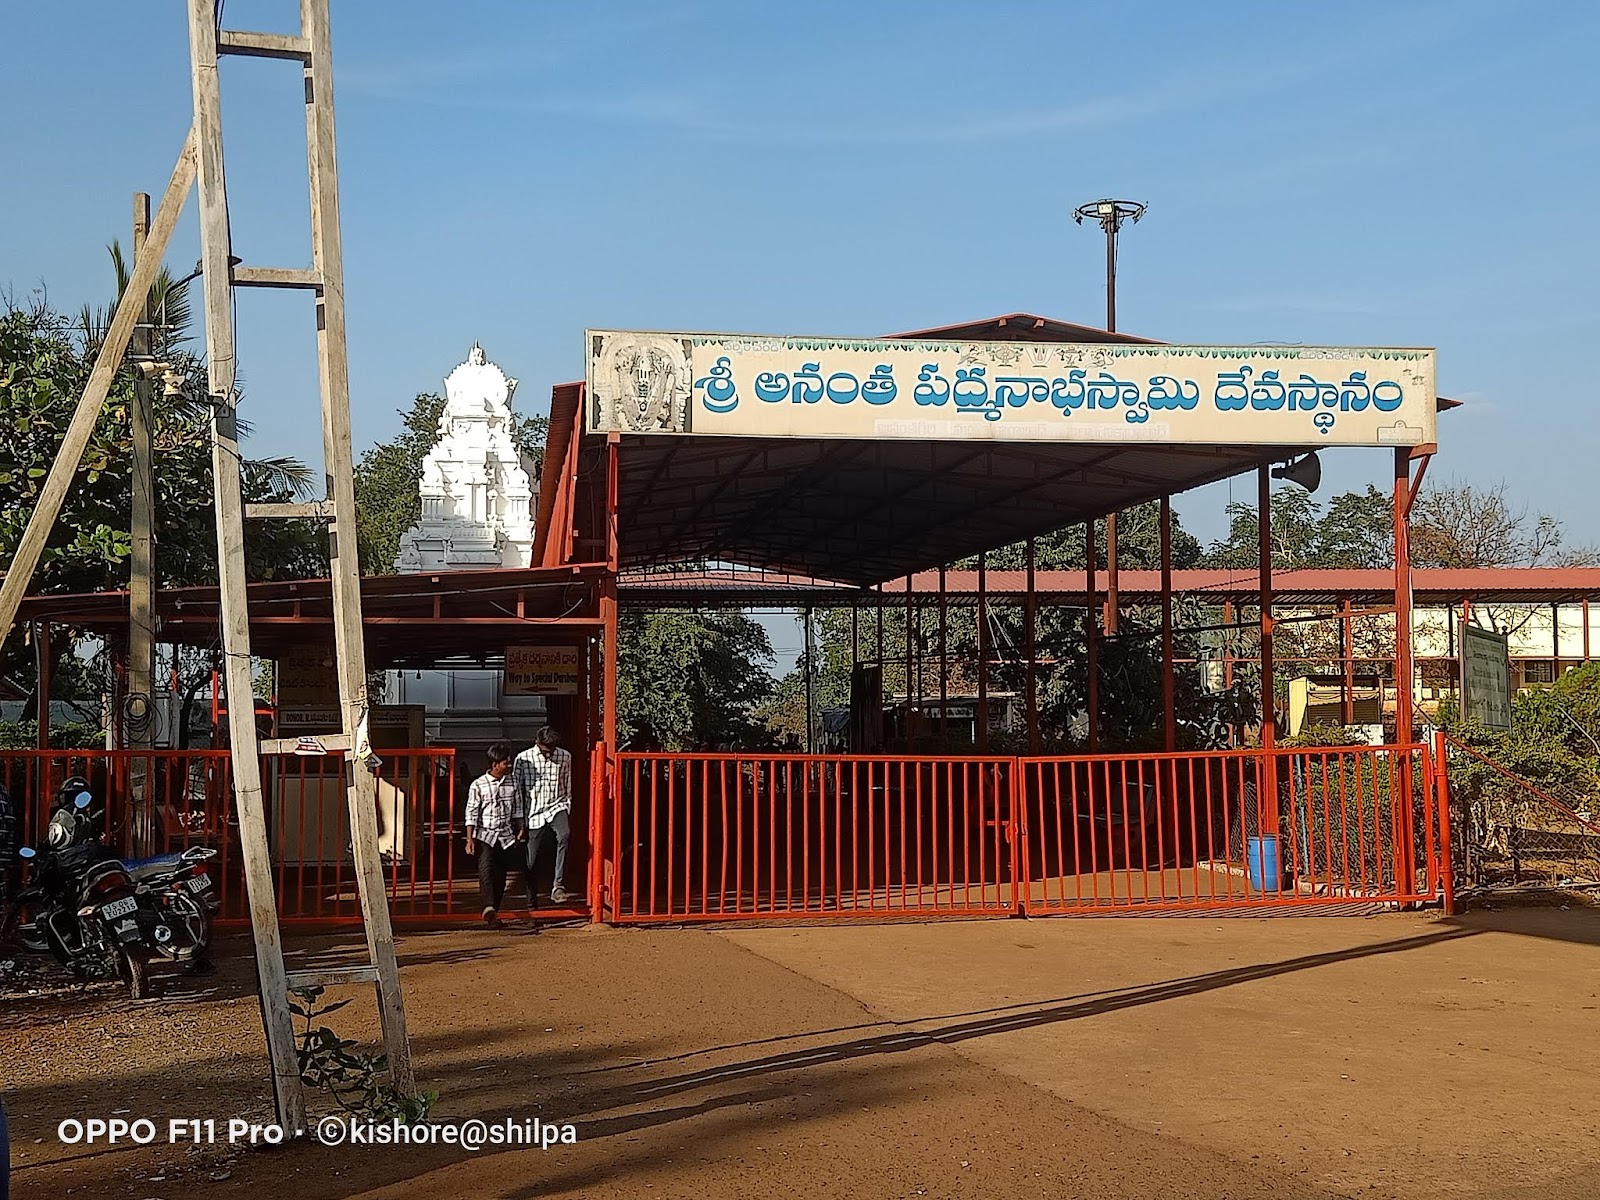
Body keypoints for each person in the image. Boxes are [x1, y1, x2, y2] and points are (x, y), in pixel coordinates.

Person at [464, 743, 527, 928]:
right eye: (505, 762)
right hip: (485, 835)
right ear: (494, 764)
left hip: (506, 836)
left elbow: (517, 808)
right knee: (486, 871)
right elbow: (472, 812)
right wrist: (470, 838)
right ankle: (488, 905)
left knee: (501, 876)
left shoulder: (513, 782)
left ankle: (494, 911)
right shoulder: (478, 785)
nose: (509, 765)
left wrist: (521, 828)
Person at [515, 726, 573, 906]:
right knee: (531, 857)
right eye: (545, 750)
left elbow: (567, 783)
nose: (549, 754)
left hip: (557, 804)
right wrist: (520, 821)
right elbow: (518, 790)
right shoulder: (523, 759)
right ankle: (531, 900)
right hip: (533, 811)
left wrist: (568, 806)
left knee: (564, 835)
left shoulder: (565, 757)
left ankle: (558, 884)